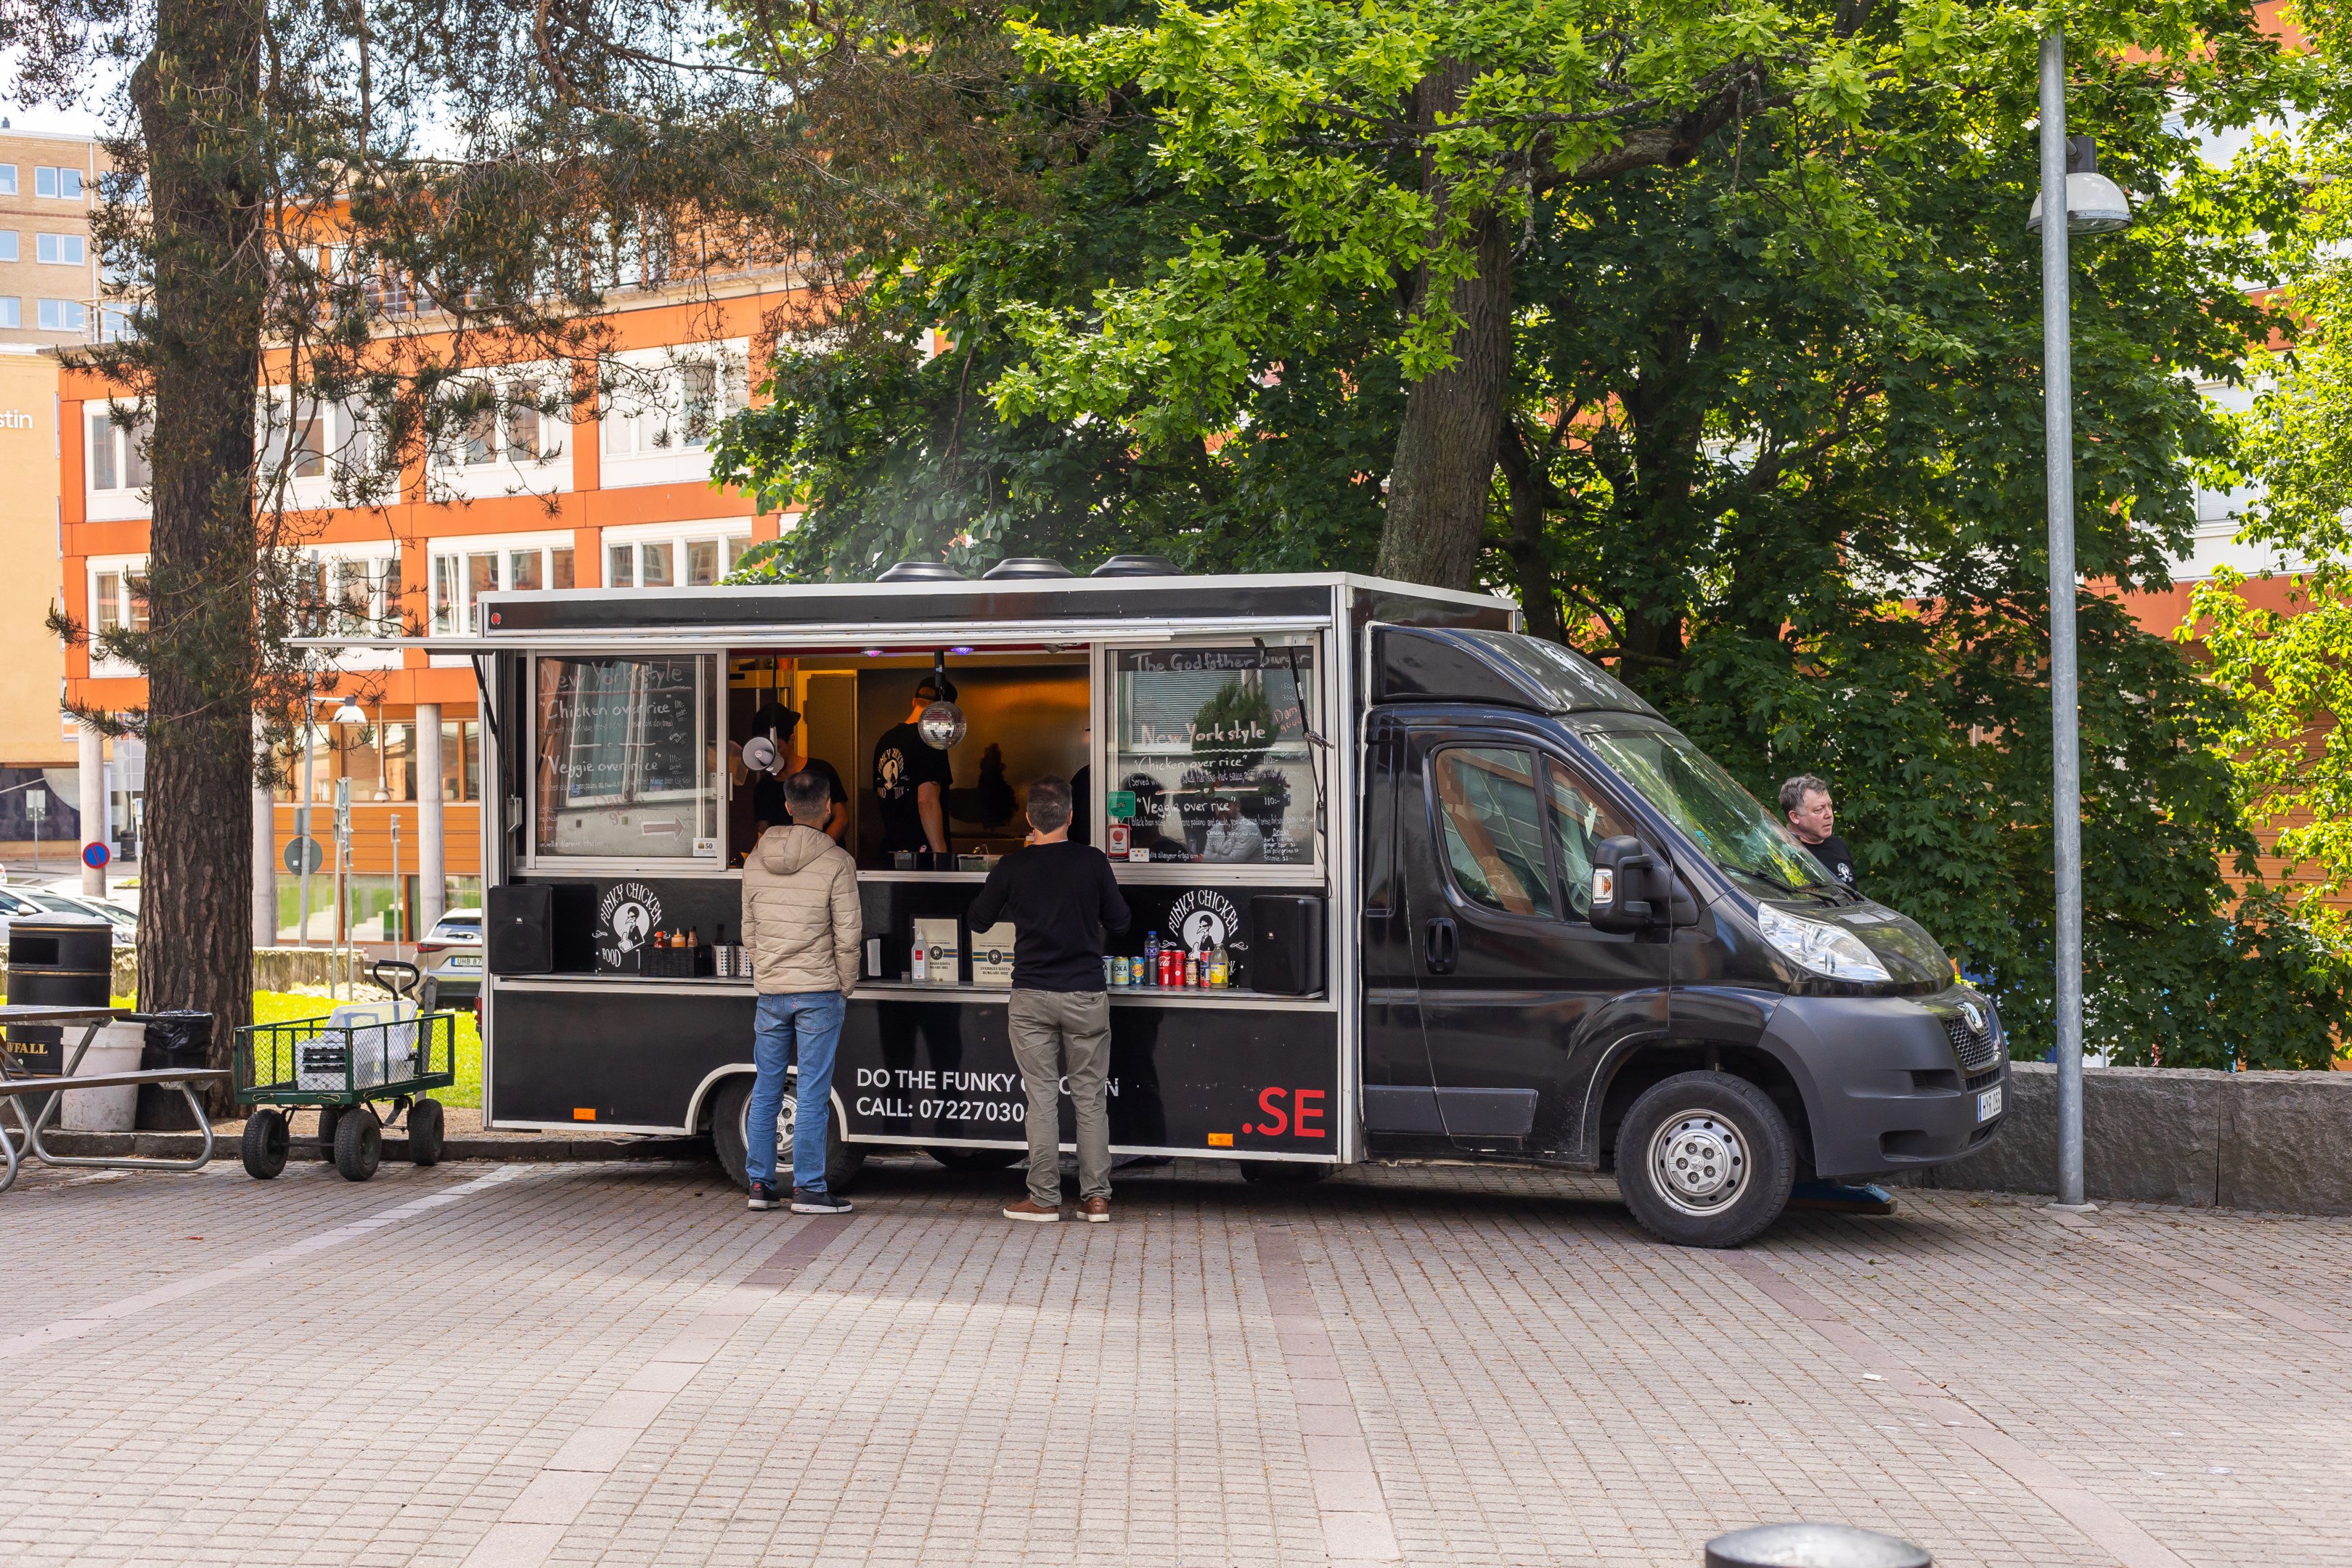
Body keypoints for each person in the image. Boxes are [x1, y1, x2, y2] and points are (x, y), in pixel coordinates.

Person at [967, 772, 1131, 1222]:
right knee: (1090, 1097)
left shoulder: (1013, 867)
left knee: (1040, 1097)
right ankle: (1096, 1197)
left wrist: (1015, 886)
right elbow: (1120, 921)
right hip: (1085, 995)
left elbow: (977, 920)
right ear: (1072, 816)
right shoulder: (1093, 862)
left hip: (1032, 997)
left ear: (1029, 819)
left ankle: (1043, 1198)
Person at [740, 769, 863, 1214]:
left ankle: (759, 1185)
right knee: (812, 1090)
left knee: (767, 1088)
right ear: (829, 807)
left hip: (772, 990)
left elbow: (749, 930)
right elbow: (849, 935)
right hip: (818, 991)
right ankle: (810, 1189)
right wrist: (844, 985)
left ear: (787, 807)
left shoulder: (756, 860)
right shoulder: (837, 862)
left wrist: (766, 972)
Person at [872, 677, 955, 859]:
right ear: (943, 712)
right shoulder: (930, 740)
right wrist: (940, 855)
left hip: (890, 852)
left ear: (914, 702)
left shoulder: (885, 740)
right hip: (921, 856)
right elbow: (926, 801)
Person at [744, 705, 849, 842]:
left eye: (777, 748)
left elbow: (841, 818)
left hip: (824, 860)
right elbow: (764, 833)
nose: (771, 756)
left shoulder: (822, 771)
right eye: (765, 751)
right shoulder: (763, 788)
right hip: (784, 862)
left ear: (791, 740)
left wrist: (818, 850)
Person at [1779, 773, 1858, 891]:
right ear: (1795, 817)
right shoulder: (1780, 853)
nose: (1829, 815)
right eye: (1819, 810)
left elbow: (1855, 898)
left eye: (1829, 806)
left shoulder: (1839, 846)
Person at [1201, 796, 1266, 862]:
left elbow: (1233, 861)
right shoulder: (1216, 828)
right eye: (1217, 805)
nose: (1221, 809)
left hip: (1248, 872)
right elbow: (1206, 857)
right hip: (1221, 872)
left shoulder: (1248, 829)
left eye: (1226, 805)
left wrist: (1212, 857)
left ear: (1237, 806)